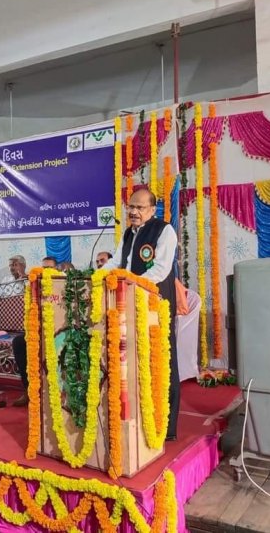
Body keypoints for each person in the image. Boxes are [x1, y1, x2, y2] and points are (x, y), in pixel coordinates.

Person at [104, 187, 180, 441]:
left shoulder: (164, 230)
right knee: (135, 360)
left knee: (162, 362)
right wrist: (96, 276)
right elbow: (118, 262)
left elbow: (160, 270)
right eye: (131, 207)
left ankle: (166, 427)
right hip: (130, 304)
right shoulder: (128, 233)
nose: (133, 212)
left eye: (139, 207)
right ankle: (139, 421)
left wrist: (131, 284)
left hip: (155, 305)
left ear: (152, 209)